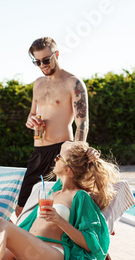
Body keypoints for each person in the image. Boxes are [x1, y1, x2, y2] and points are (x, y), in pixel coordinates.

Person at [16, 37, 95, 217]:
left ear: (56, 54)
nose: (42, 65)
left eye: (46, 60)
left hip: (60, 152)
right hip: (38, 152)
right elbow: (32, 114)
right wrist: (30, 121)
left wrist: (76, 154)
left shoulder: (73, 83)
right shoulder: (38, 83)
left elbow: (82, 122)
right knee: (21, 207)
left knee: (59, 205)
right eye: (37, 62)